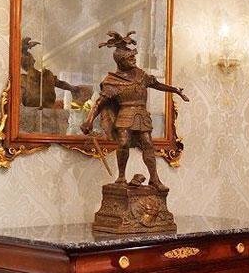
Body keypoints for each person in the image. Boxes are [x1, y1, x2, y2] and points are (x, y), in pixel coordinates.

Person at [80, 31, 188, 191]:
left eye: (133, 57)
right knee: (123, 143)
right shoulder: (113, 81)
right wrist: (89, 121)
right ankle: (121, 177)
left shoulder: (140, 75)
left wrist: (175, 90)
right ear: (121, 62)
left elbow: (157, 85)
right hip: (125, 115)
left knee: (148, 144)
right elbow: (99, 103)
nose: (134, 60)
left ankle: (154, 178)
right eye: (130, 58)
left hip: (142, 115)